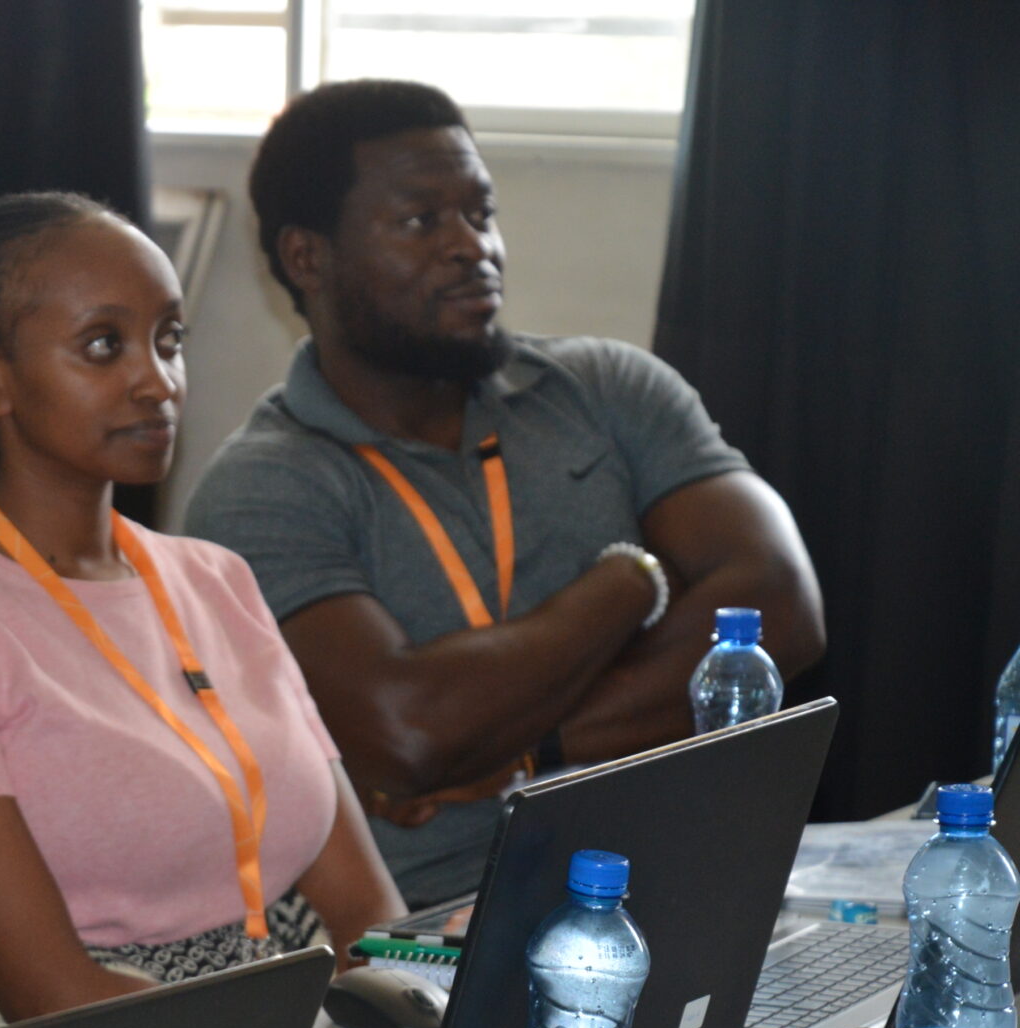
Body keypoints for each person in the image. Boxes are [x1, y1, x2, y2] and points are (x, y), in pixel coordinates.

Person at [183, 79, 824, 906]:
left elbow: (782, 604)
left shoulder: (607, 387)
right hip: (438, 925)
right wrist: (632, 582)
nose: (471, 247)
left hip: (681, 877)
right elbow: (408, 732)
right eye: (422, 221)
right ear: (308, 257)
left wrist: (530, 757)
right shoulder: (261, 488)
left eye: (480, 213)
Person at [0, 193, 402, 1028]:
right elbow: (50, 998)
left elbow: (369, 918)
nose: (156, 380)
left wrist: (460, 966)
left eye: (169, 341)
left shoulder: (218, 580)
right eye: (105, 346)